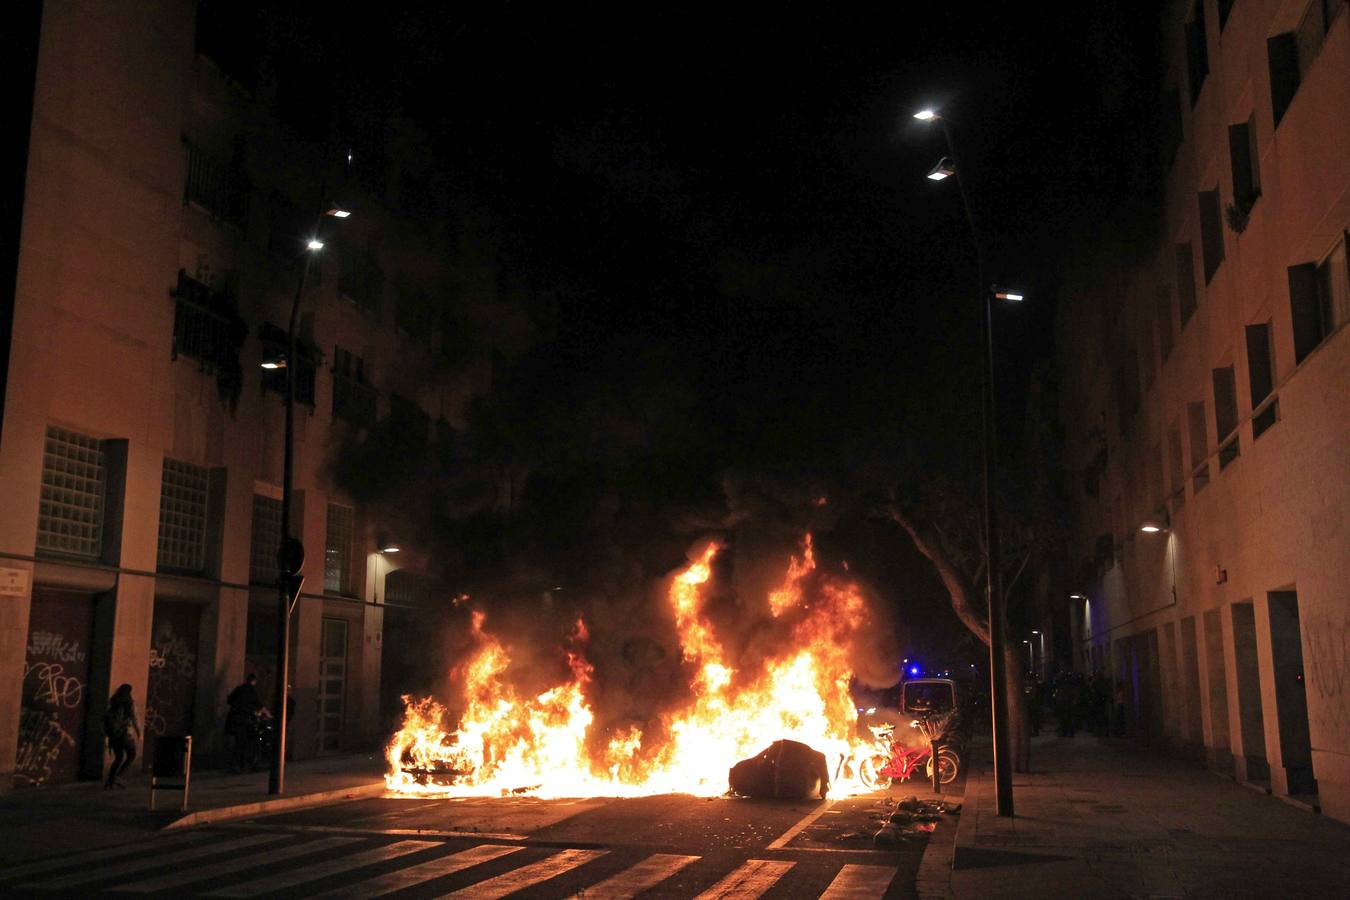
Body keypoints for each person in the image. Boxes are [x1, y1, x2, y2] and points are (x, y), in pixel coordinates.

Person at [103, 683, 140, 788]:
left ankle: (110, 781)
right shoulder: (129, 703)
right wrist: (139, 733)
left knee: (118, 757)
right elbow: (135, 719)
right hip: (124, 734)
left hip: (113, 735)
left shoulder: (112, 701)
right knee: (132, 754)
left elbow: (105, 718)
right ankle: (118, 776)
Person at [225, 673, 264, 772]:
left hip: (234, 719)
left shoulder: (239, 689)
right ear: (254, 681)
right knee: (243, 743)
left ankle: (237, 764)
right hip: (243, 720)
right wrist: (267, 714)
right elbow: (259, 705)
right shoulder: (251, 691)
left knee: (239, 742)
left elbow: (229, 700)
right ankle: (239, 765)